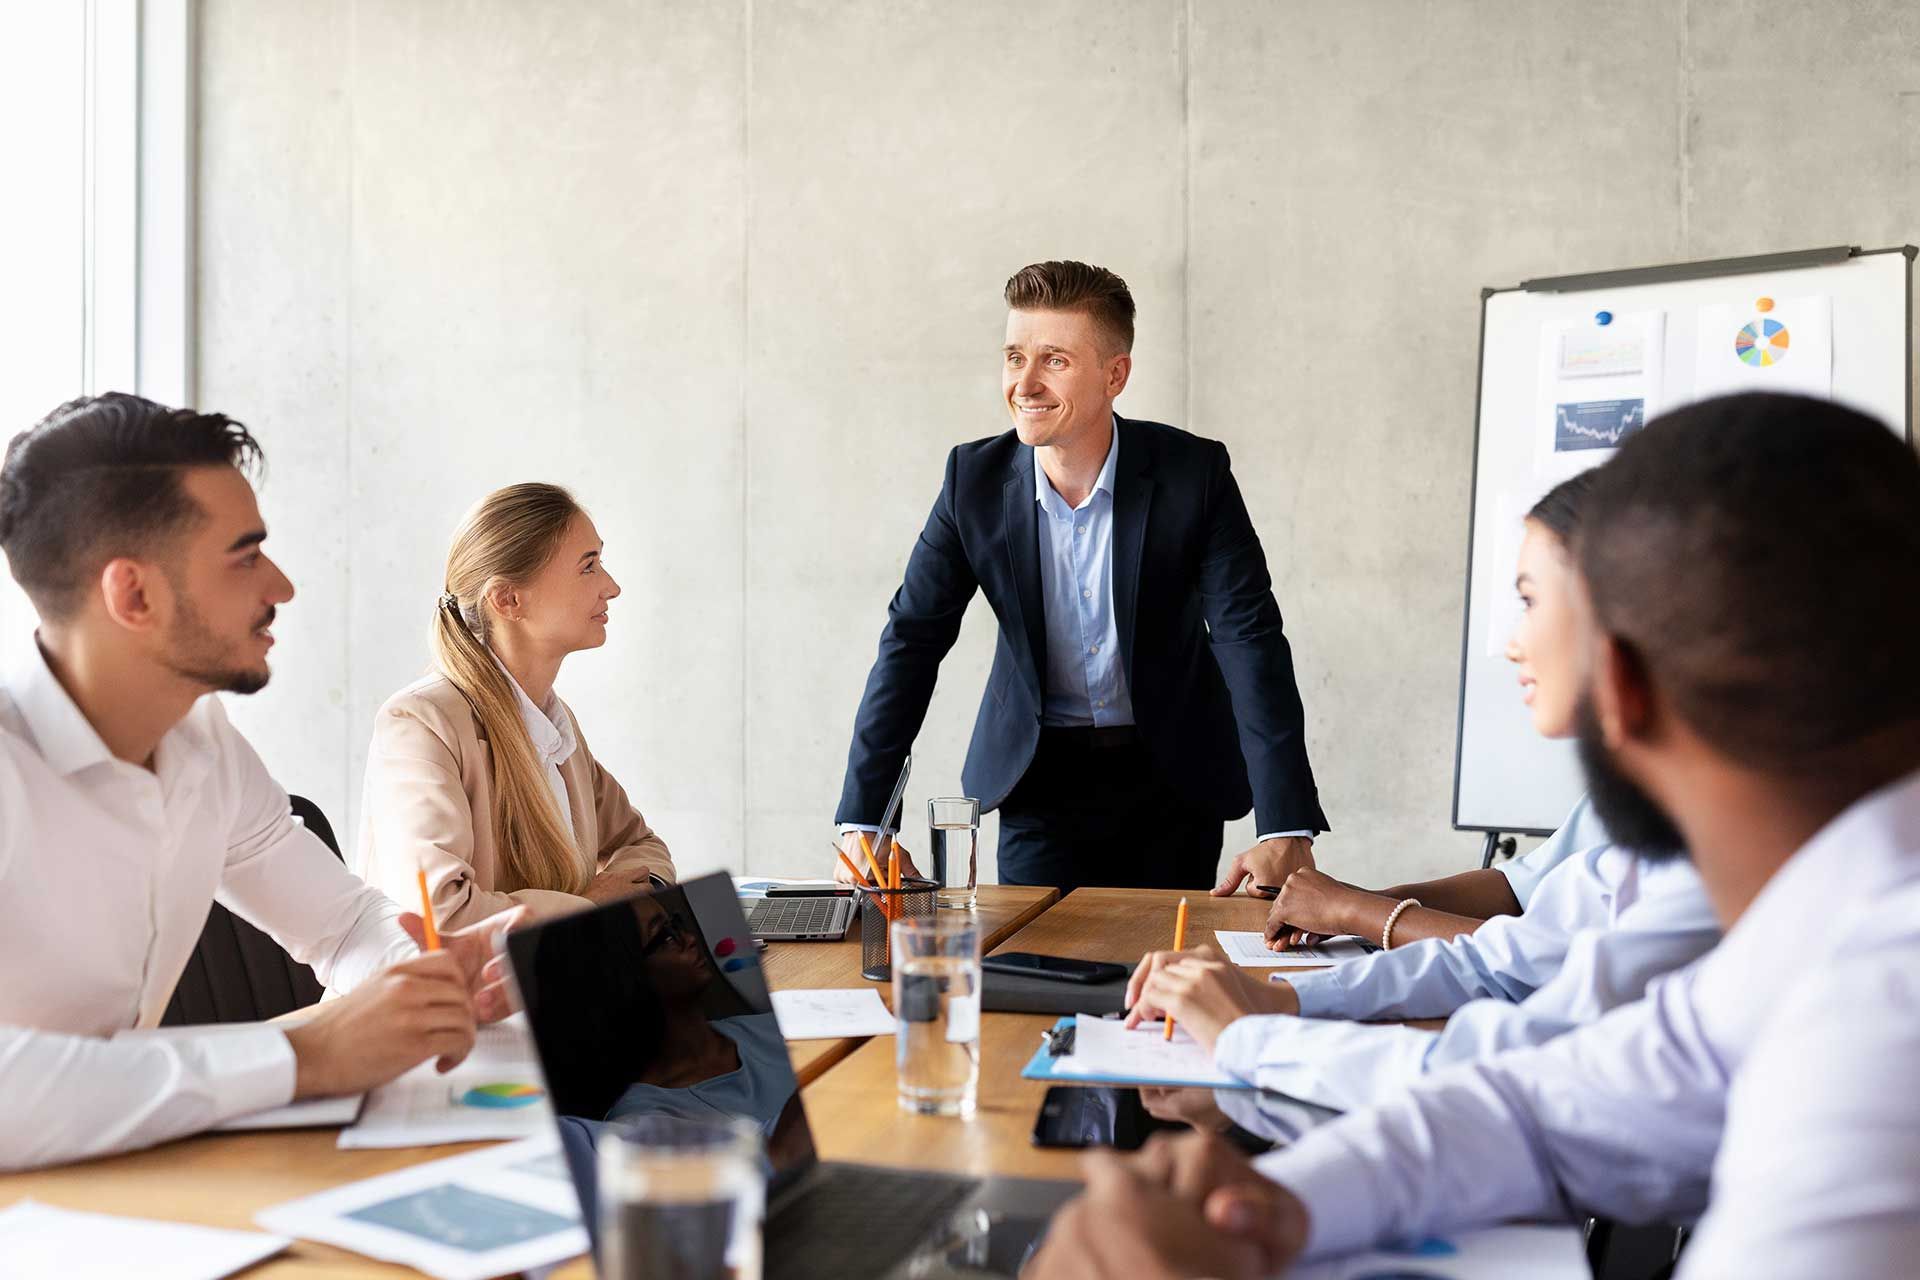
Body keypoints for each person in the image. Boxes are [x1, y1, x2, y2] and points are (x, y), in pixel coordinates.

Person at [1028, 392, 1920, 1279]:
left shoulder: (1881, 1016)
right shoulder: (1814, 922)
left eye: (1532, 602)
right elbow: (1544, 1112)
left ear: (1619, 682)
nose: (1511, 644)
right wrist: (1281, 1207)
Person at [0, 394, 518, 1171]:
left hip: (113, 1187)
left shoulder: (206, 744)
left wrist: (420, 978)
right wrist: (301, 1055)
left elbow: (342, 925)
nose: (282, 586)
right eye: (245, 556)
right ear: (133, 595)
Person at [1121, 471, 1720, 1115]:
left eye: (1530, 601)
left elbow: (1516, 1073)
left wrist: (1254, 1041)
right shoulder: (1643, 821)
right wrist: (1280, 999)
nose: (1514, 644)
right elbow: (1498, 958)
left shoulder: (1712, 859)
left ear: (1619, 618)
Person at [834, 261, 1327, 895]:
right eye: (1015, 357)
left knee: (1162, 978)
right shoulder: (973, 484)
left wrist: (1284, 825)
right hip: (1039, 779)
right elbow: (911, 642)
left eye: (1054, 360)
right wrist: (863, 820)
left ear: (1115, 374)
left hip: (1174, 776)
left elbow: (1249, 639)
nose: (1026, 383)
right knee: (1032, 978)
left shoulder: (1192, 475)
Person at [357, 483, 674, 931]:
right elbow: (439, 916)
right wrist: (586, 908)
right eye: (589, 567)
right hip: (447, 999)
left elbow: (637, 841)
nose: (612, 586)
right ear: (508, 599)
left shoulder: (555, 726)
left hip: (550, 990)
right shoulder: (420, 725)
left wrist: (637, 895)